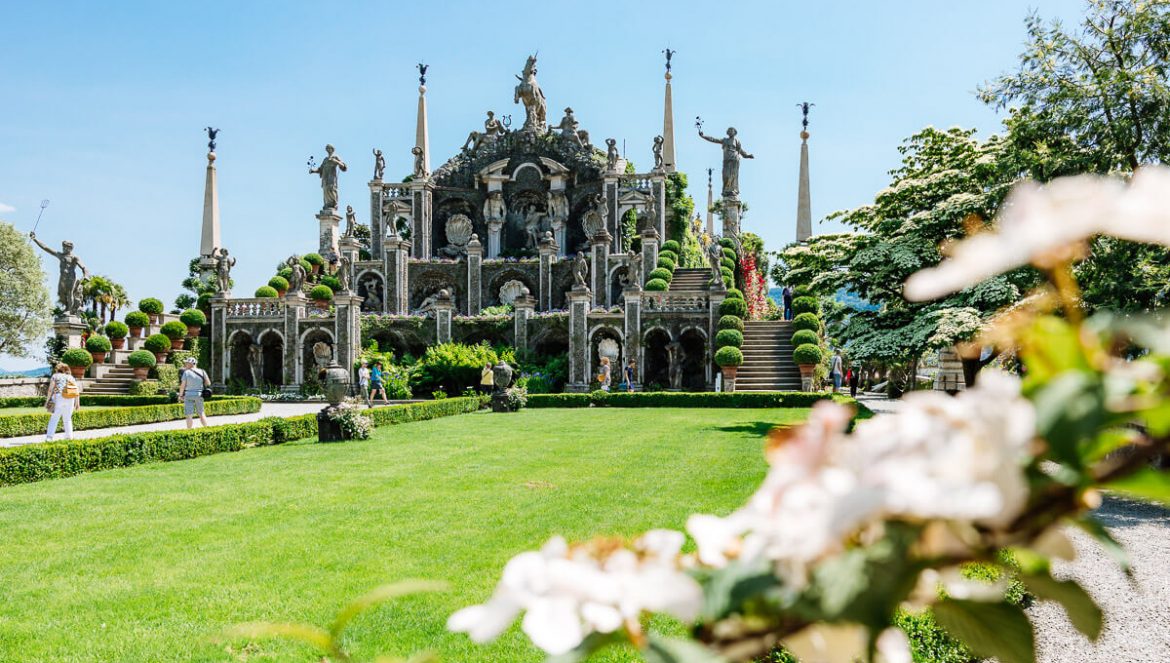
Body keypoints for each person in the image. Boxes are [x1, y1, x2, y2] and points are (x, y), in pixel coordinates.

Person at [44, 362, 81, 441]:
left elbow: (50, 389)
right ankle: (69, 437)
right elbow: (76, 390)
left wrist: (47, 400)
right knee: (67, 418)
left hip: (58, 397)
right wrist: (77, 403)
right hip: (70, 398)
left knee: (54, 418)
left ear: (58, 369)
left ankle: (49, 437)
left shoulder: (55, 376)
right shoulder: (70, 377)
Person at [179, 357, 211, 428]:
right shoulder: (202, 371)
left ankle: (189, 431)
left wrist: (180, 395)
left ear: (191, 364)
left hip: (188, 395)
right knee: (201, 413)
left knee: (189, 415)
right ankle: (206, 428)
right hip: (199, 394)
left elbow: (182, 386)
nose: (185, 364)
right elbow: (208, 383)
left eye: (187, 363)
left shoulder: (186, 372)